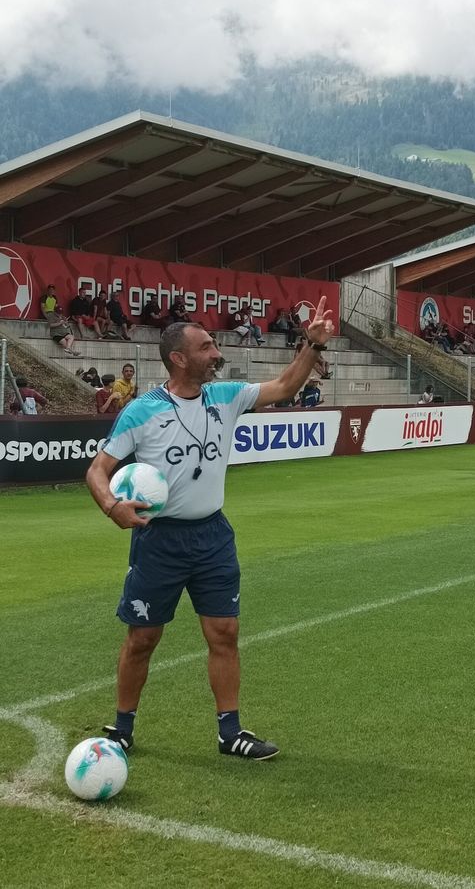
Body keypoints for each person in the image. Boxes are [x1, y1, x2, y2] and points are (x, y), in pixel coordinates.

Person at [85, 297, 336, 760]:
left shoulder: (226, 396)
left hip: (213, 536)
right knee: (143, 637)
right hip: (159, 540)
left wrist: (311, 345)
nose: (216, 352)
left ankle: (230, 732)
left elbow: (283, 386)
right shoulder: (141, 411)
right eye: (206, 346)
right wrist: (111, 506)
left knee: (224, 632)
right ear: (179, 358)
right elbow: (98, 469)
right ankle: (122, 728)